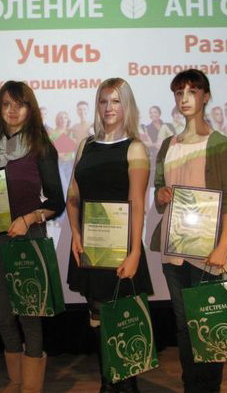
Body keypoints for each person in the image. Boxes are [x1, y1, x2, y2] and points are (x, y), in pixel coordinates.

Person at [0, 81, 65, 393]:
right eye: (6, 104)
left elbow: (57, 201)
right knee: (2, 315)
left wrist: (27, 219)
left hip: (28, 236)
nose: (13, 110)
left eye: (20, 104)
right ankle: (15, 380)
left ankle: (31, 386)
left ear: (30, 108)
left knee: (29, 313)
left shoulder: (41, 145)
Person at [150, 69, 227, 393]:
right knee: (184, 326)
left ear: (206, 96)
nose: (185, 98)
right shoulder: (168, 145)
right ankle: (192, 387)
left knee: (209, 324)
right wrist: (160, 196)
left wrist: (224, 244)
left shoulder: (220, 145)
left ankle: (209, 388)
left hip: (207, 250)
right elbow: (159, 190)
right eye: (179, 93)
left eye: (192, 91)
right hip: (173, 249)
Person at [66, 78, 154, 392]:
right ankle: (108, 381)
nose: (108, 107)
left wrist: (134, 253)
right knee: (97, 315)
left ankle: (126, 385)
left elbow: (137, 202)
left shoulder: (135, 147)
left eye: (116, 101)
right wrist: (75, 233)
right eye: (103, 101)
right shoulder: (85, 145)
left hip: (122, 248)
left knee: (122, 319)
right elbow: (72, 196)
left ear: (126, 105)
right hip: (91, 246)